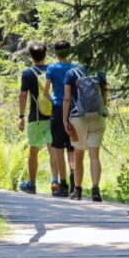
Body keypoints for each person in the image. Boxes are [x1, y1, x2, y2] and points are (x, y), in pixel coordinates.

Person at [62, 62, 108, 201]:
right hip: (97, 117)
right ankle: (95, 190)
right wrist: (102, 108)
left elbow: (67, 98)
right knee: (94, 155)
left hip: (78, 118)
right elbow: (105, 92)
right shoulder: (100, 72)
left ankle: (77, 191)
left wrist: (65, 121)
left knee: (78, 154)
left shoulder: (71, 73)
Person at [17, 41, 54, 194]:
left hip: (36, 117)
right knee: (54, 151)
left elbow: (23, 95)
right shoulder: (52, 70)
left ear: (31, 56)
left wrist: (21, 116)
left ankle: (31, 185)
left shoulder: (28, 73)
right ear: (45, 54)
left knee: (34, 151)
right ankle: (56, 182)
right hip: (54, 116)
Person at [43, 39, 76, 197]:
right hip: (72, 110)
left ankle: (62, 184)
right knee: (71, 147)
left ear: (55, 53)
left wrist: (54, 101)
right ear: (69, 52)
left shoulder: (52, 68)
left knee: (57, 148)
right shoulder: (75, 68)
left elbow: (45, 91)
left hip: (57, 110)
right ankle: (74, 179)